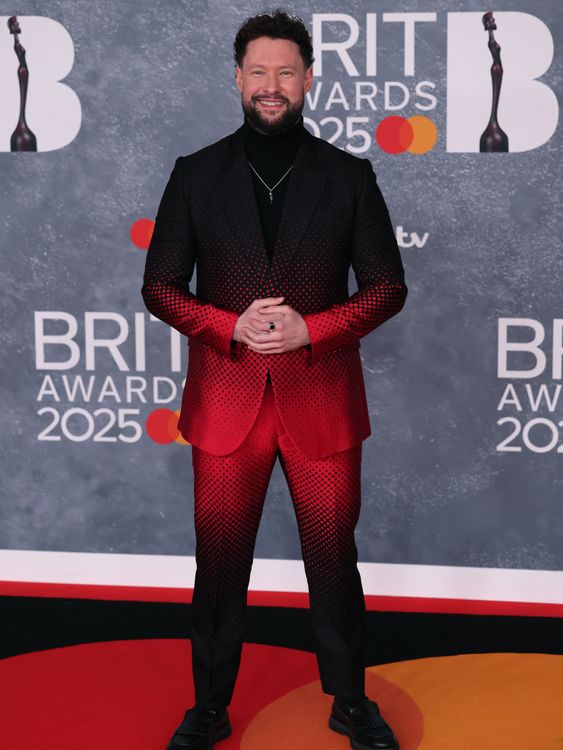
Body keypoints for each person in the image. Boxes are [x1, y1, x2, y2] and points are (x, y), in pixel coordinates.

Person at [142, 10, 407, 750]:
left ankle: (349, 701)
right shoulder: (195, 175)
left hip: (320, 399)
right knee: (218, 566)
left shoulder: (348, 175)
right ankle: (209, 708)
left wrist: (310, 329)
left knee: (333, 561)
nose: (271, 85)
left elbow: (387, 287)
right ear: (236, 78)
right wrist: (226, 324)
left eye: (285, 72)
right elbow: (159, 287)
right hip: (227, 402)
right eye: (257, 71)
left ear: (308, 79)